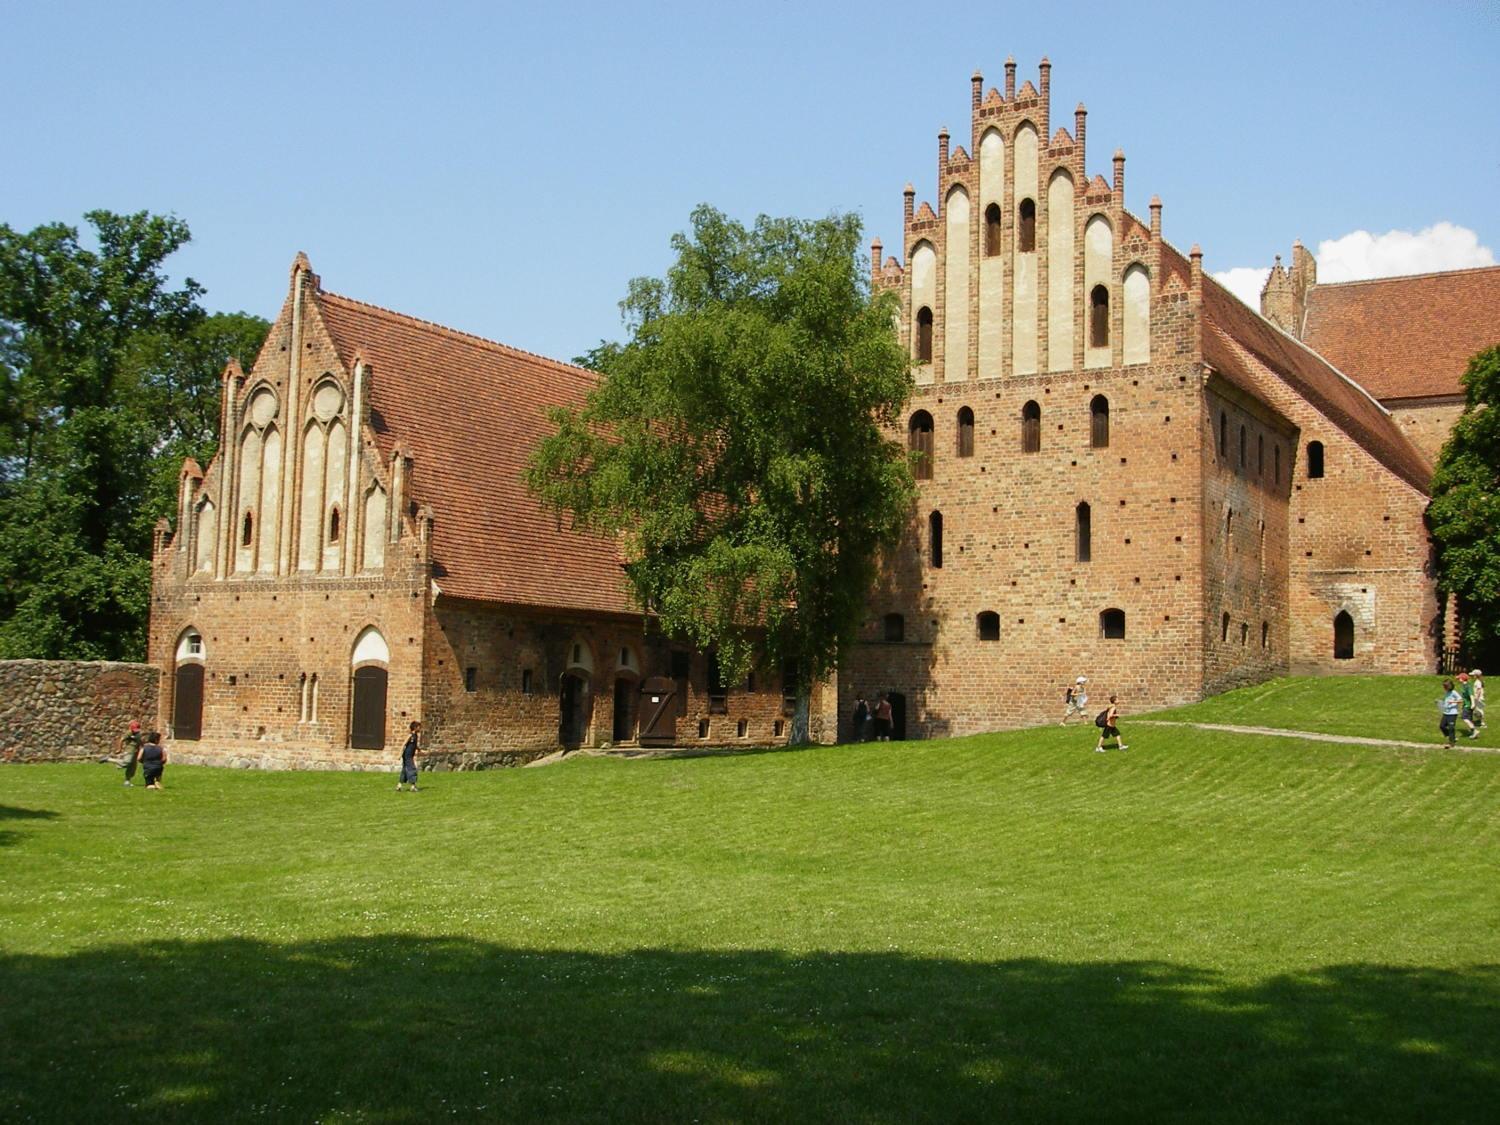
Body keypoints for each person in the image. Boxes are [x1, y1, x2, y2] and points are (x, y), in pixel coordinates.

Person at [397, 721, 421, 791]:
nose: (420, 729)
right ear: (415, 727)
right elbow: (403, 744)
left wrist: (420, 750)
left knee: (404, 770)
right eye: (419, 727)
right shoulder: (410, 735)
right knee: (412, 769)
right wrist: (399, 754)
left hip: (410, 755)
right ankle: (413, 786)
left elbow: (414, 745)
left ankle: (399, 785)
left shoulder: (416, 736)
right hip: (407, 755)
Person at [1438, 678, 1462, 746]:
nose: (1444, 688)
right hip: (1446, 712)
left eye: (1445, 687)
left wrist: (1453, 702)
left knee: (1451, 728)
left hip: (1453, 713)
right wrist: (1440, 703)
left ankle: (1451, 742)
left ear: (1449, 686)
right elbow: (1446, 701)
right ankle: (1451, 737)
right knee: (1442, 726)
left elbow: (1460, 700)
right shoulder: (1447, 692)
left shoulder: (1454, 692)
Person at [1458, 672, 1479, 739]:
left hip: (1468, 705)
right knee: (1469, 719)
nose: (1458, 679)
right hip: (1466, 704)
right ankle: (1473, 732)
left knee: (1465, 718)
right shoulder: (1464, 686)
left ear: (1463, 679)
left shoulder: (1468, 686)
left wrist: (1473, 704)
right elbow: (1464, 697)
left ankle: (1475, 731)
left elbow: (1471, 695)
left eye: (1459, 678)